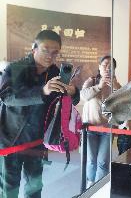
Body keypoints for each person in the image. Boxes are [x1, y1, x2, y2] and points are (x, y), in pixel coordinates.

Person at [0, 30, 79, 198]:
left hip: (38, 141)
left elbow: (63, 102)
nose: (50, 55)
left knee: (35, 187)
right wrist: (42, 90)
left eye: (55, 52)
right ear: (33, 48)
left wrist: (72, 92)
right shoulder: (15, 68)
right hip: (11, 139)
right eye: (45, 49)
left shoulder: (55, 73)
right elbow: (7, 97)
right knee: (9, 188)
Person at [80, 56, 121, 187]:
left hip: (107, 129)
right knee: (91, 160)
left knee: (103, 161)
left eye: (111, 66)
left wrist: (115, 86)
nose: (108, 68)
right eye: (105, 65)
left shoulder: (115, 84)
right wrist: (99, 86)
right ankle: (90, 186)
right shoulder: (91, 81)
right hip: (90, 128)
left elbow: (123, 102)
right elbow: (83, 96)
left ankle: (98, 189)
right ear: (99, 67)